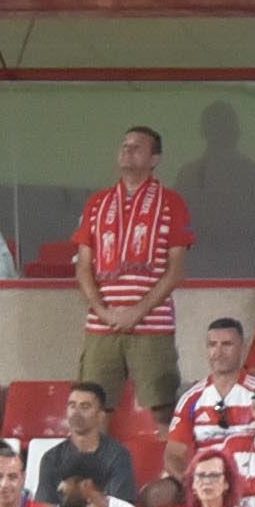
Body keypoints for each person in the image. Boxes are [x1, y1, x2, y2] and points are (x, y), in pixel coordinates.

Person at [76, 126, 193, 405]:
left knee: (161, 408)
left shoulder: (172, 202)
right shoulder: (97, 203)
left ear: (155, 159)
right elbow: (83, 267)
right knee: (92, 406)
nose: (128, 150)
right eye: (124, 145)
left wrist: (137, 312)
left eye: (137, 147)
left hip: (152, 325)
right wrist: (103, 312)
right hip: (101, 326)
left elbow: (176, 271)